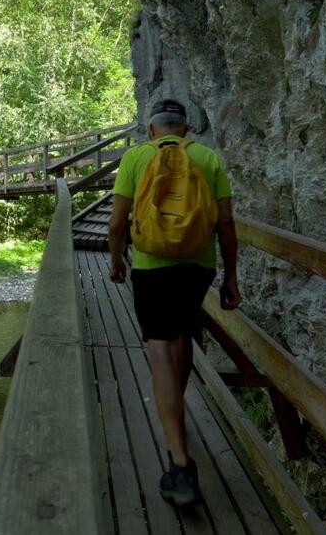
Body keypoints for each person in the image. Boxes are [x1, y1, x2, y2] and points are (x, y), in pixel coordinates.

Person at [108, 98, 242, 507]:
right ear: (185, 129)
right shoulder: (207, 158)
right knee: (182, 332)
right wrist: (231, 278)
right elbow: (226, 224)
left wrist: (117, 261)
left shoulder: (136, 158)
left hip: (151, 267)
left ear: (152, 130)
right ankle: (175, 415)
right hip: (197, 267)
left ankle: (181, 465)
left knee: (161, 350)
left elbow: (117, 223)